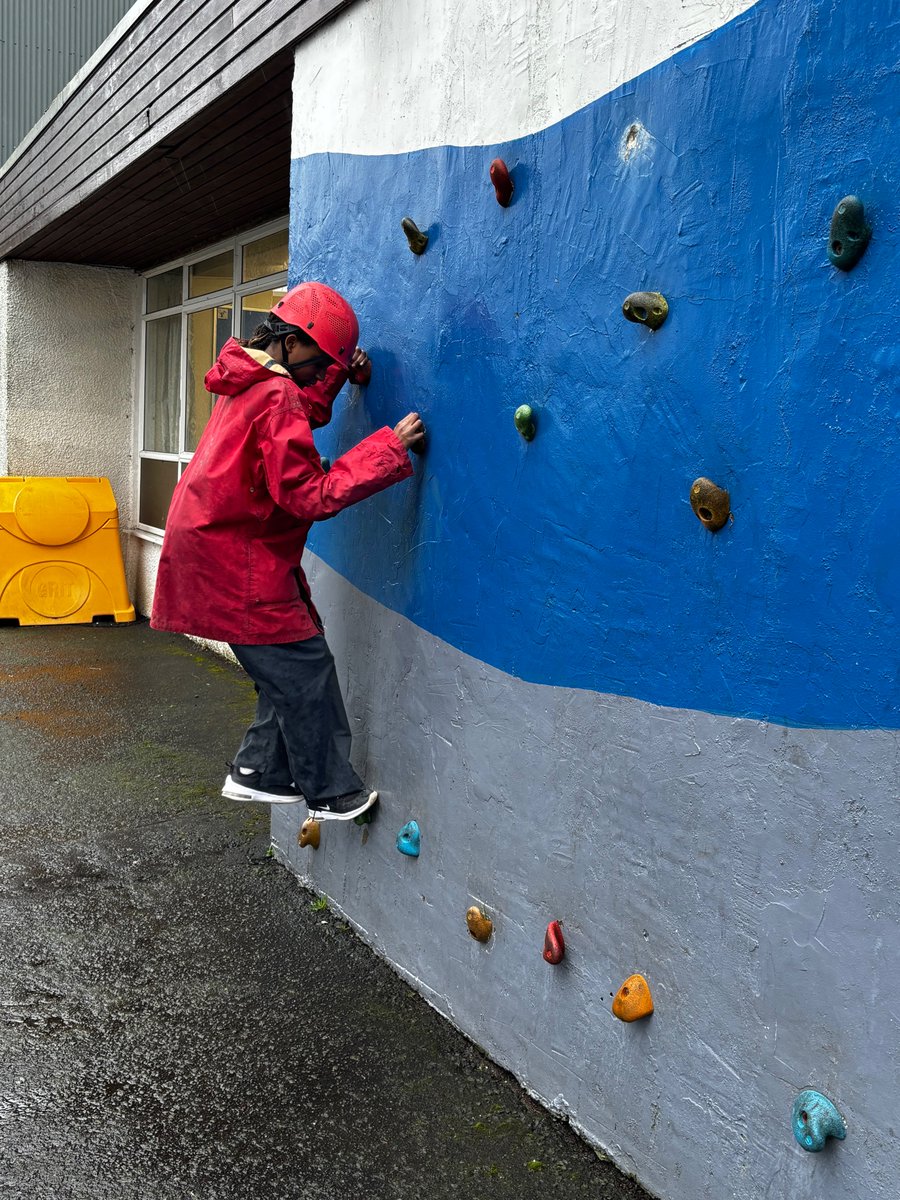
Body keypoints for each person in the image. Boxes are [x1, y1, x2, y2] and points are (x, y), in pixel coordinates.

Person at [151, 281, 425, 822]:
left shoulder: (252, 381)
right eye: (318, 359)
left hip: (220, 551)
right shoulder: (276, 395)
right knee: (304, 668)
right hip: (237, 562)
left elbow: (294, 417)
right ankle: (328, 789)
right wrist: (387, 448)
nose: (316, 370)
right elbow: (308, 494)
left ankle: (258, 771)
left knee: (290, 663)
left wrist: (339, 373)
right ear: (293, 344)